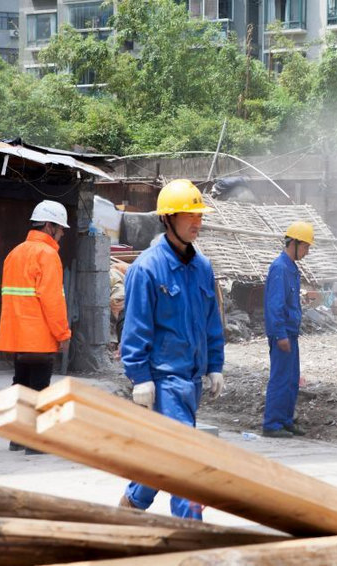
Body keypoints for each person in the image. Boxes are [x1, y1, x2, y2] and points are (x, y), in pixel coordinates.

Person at [118, 179, 225, 519]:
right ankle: (189, 537)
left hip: (191, 382)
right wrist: (139, 377)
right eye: (189, 215)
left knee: (164, 457)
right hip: (164, 381)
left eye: (199, 215)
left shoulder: (203, 268)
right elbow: (135, 327)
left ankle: (131, 507)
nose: (197, 222)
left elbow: (211, 323)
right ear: (167, 218)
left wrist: (215, 365)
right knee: (185, 463)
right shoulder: (147, 268)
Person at [0, 200, 72, 455]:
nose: (61, 234)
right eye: (60, 229)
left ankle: (17, 438)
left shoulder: (14, 253)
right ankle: (34, 442)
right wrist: (63, 333)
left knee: (21, 384)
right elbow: (53, 300)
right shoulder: (48, 255)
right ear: (49, 226)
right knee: (39, 387)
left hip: (16, 337)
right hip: (39, 337)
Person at [262, 221, 314, 439]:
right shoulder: (280, 268)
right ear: (293, 243)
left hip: (291, 333)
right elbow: (275, 305)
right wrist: (280, 334)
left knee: (291, 379)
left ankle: (285, 419)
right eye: (305, 247)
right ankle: (272, 423)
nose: (306, 252)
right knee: (280, 378)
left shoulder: (291, 268)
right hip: (282, 334)